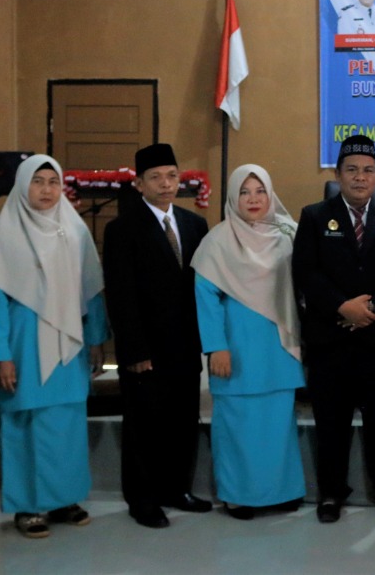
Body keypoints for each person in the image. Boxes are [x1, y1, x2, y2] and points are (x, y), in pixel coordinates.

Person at [0, 155, 107, 538]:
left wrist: (97, 338)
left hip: (69, 345)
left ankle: (65, 498)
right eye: (38, 181)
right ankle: (28, 506)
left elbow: (92, 291)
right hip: (23, 345)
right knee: (24, 422)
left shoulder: (76, 231)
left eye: (53, 181)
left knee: (66, 424)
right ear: (22, 185)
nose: (46, 189)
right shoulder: (4, 236)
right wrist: (0, 354)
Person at [295, 136, 375, 523]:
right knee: (331, 423)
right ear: (337, 175)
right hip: (330, 339)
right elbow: (305, 272)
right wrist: (342, 306)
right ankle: (331, 493)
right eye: (352, 170)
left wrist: (372, 309)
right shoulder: (314, 216)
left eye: (367, 171)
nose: (360, 177)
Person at [102, 143, 211, 529]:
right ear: (139, 184)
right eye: (155, 177)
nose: (165, 184)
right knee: (144, 425)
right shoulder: (122, 229)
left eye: (171, 176)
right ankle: (143, 499)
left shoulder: (195, 225)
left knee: (183, 421)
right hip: (146, 349)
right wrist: (133, 350)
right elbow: (121, 295)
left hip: (186, 346)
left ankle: (176, 489)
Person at [192, 164, 306, 520]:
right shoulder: (217, 241)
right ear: (233, 197)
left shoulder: (288, 235)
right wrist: (216, 346)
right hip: (237, 348)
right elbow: (205, 298)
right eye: (244, 192)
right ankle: (238, 496)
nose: (253, 199)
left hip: (278, 347)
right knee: (238, 425)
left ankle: (282, 492)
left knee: (277, 425)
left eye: (260, 191)